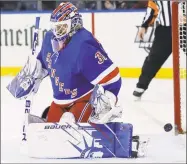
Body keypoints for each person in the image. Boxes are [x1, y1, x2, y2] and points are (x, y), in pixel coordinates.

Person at [7, 2, 122, 124]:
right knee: (48, 133)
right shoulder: (49, 39)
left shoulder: (83, 45)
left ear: (74, 24)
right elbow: (44, 63)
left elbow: (112, 78)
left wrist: (106, 102)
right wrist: (32, 75)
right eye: (55, 27)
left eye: (61, 27)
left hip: (83, 100)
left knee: (70, 126)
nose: (57, 32)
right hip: (59, 102)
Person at [133, 1, 186, 100]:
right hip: (166, 29)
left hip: (185, 27)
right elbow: (152, 8)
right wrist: (144, 25)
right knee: (154, 58)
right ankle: (141, 86)